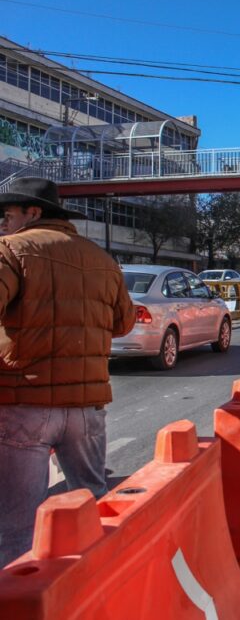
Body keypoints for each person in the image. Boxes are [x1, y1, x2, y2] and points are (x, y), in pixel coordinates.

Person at [0, 177, 135, 567]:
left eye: (7, 215)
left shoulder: (10, 251)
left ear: (33, 213)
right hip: (86, 408)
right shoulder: (103, 260)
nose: (2, 223)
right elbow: (124, 324)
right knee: (91, 503)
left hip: (24, 404)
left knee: (16, 524)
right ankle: (93, 586)